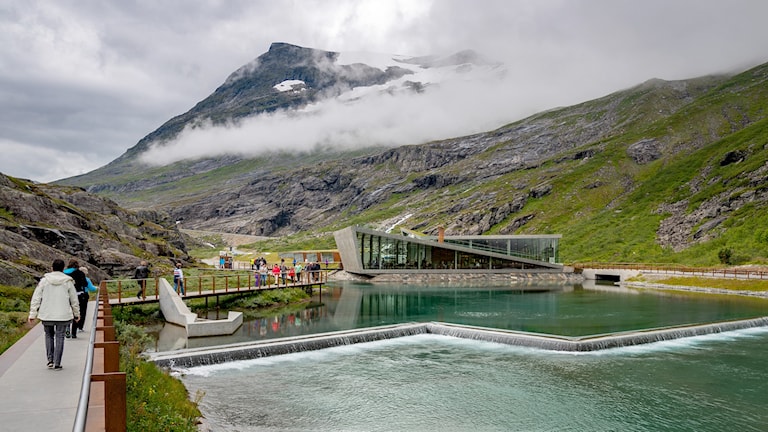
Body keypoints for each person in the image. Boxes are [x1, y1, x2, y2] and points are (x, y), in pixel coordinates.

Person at [28, 259, 80, 371]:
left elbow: (36, 297)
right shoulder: (68, 281)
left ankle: (50, 360)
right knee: (60, 337)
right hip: (63, 314)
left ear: (52, 268)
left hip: (47, 314)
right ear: (63, 269)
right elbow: (74, 300)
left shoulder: (44, 281)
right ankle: (57, 362)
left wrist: (33, 313)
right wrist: (76, 314)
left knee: (48, 335)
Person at [63, 259, 88, 338]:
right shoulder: (80, 273)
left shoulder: (63, 273)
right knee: (76, 312)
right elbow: (85, 283)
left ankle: (67, 327)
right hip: (78, 294)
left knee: (67, 312)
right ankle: (74, 332)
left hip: (66, 295)